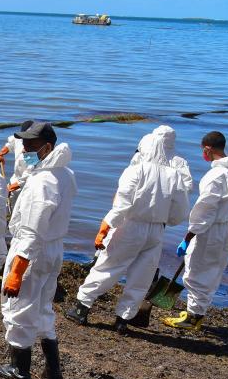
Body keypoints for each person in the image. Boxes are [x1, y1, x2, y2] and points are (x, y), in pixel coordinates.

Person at [65, 131, 189, 332]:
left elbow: (121, 204)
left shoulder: (136, 170)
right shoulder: (174, 175)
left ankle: (81, 309)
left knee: (108, 267)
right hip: (157, 230)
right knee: (142, 276)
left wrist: (104, 227)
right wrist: (166, 220)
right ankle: (122, 320)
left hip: (130, 225)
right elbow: (180, 211)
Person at [0, 121, 76, 379]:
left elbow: (31, 231)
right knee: (42, 306)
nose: (25, 148)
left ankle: (19, 369)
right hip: (53, 249)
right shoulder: (65, 174)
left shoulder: (43, 182)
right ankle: (53, 371)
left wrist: (17, 270)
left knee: (19, 306)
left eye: (31, 145)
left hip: (32, 251)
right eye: (24, 143)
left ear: (47, 147)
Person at [163, 131, 228, 331]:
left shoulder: (216, 175)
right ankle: (197, 312)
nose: (203, 155)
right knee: (213, 270)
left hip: (211, 230)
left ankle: (193, 318)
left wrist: (188, 236)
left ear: (208, 149)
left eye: (203, 151)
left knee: (195, 271)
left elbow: (204, 209)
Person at [132, 125, 193, 193]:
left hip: (140, 195)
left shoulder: (140, 154)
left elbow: (130, 177)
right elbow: (187, 186)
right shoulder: (179, 161)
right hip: (167, 198)